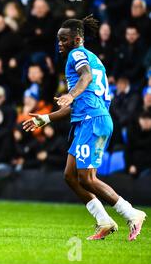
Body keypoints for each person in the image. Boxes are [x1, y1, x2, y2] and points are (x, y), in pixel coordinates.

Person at [23, 15, 146, 241]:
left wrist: (70, 94)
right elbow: (81, 99)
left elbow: (86, 77)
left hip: (93, 120)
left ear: (77, 39)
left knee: (87, 178)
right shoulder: (94, 58)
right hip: (88, 119)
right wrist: (47, 119)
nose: (60, 44)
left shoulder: (77, 54)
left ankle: (131, 213)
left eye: (64, 40)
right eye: (58, 40)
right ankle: (104, 221)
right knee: (70, 176)